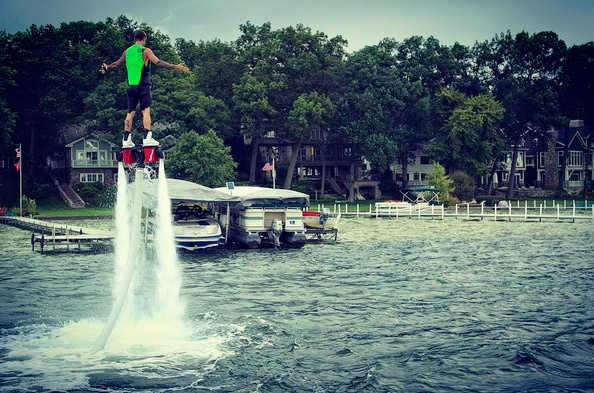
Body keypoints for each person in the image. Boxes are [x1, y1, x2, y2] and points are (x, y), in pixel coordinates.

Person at [103, 30, 189, 147]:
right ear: (144, 39)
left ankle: (126, 139)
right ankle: (147, 137)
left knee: (130, 112)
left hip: (131, 86)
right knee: (146, 111)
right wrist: (175, 67)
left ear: (135, 39)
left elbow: (116, 65)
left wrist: (107, 67)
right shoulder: (145, 50)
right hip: (143, 85)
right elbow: (158, 62)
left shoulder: (127, 51)